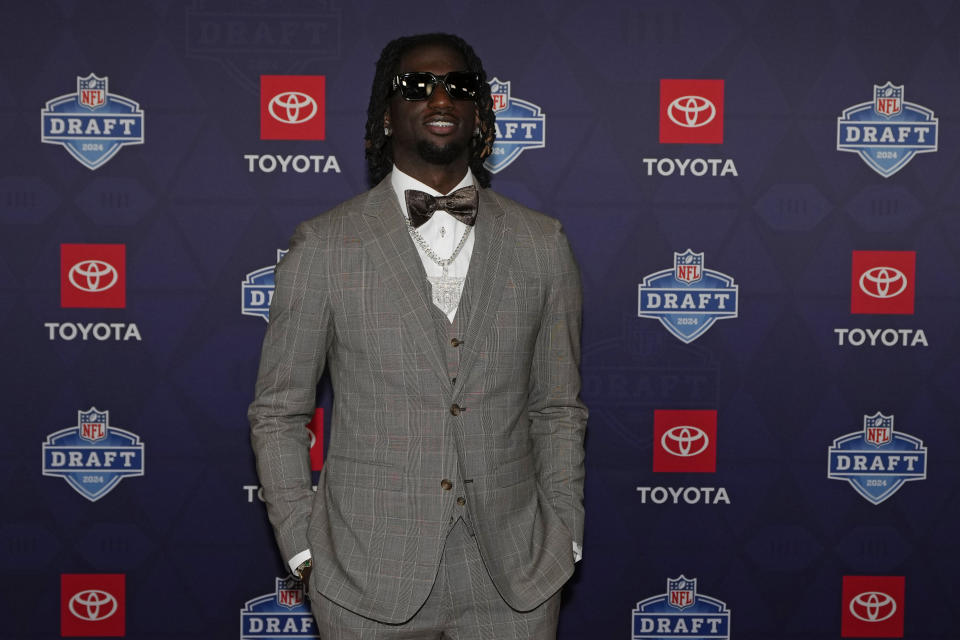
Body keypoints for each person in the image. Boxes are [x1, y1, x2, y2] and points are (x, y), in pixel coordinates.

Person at [249, 32, 586, 639]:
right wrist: (302, 546)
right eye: (416, 86)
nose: (439, 98)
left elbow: (557, 408)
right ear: (385, 115)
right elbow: (278, 411)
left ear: (479, 115)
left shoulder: (542, 243)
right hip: (363, 574)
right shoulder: (324, 246)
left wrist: (564, 529)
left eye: (458, 86)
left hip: (516, 577)